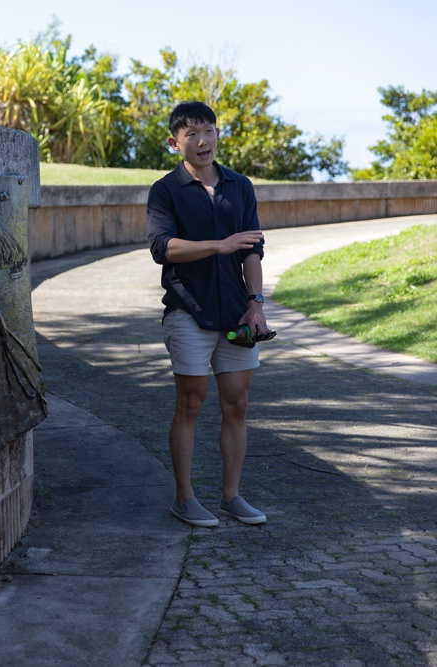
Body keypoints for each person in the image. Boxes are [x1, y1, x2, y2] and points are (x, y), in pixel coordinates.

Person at [146, 101, 270, 527]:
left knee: (237, 405)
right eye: (191, 134)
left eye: (209, 131)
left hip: (236, 314)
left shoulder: (240, 186)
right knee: (191, 403)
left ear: (218, 135)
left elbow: (252, 248)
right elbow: (162, 247)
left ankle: (231, 497)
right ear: (174, 142)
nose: (202, 141)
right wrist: (218, 245)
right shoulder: (166, 190)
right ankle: (185, 497)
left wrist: (255, 304)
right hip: (188, 309)